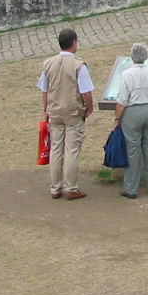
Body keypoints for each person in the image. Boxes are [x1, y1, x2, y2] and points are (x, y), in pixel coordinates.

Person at [37, 28, 94, 200]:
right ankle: (71, 187)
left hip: (54, 112)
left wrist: (45, 110)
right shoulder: (78, 65)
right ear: (74, 42)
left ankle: (55, 188)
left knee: (56, 149)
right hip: (73, 112)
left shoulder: (48, 64)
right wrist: (88, 108)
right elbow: (86, 92)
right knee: (71, 150)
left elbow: (44, 91)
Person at [114, 42, 148, 199]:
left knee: (132, 150)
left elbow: (122, 101)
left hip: (133, 112)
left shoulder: (127, 74)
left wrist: (117, 119)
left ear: (132, 57)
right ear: (146, 56)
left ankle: (131, 188)